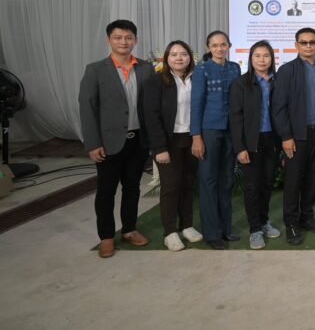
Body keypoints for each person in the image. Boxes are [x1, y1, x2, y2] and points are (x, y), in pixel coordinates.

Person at [79, 19, 155, 258]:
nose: (124, 42)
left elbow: (152, 105)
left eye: (128, 38)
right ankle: (106, 237)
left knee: (132, 188)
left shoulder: (146, 68)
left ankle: (129, 229)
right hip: (109, 142)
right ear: (109, 40)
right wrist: (93, 143)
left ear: (135, 40)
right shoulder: (95, 70)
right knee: (106, 192)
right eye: (118, 38)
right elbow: (87, 108)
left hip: (138, 140)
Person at [272, 27, 315, 245]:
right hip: (296, 136)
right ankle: (291, 223)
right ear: (296, 45)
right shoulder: (287, 70)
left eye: (312, 42)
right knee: (293, 181)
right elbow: (278, 107)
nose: (308, 46)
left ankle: (307, 217)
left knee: (312, 179)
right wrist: (286, 136)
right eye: (304, 42)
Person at [142, 40, 203, 251]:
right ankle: (170, 231)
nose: (179, 58)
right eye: (174, 54)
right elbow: (151, 117)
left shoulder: (197, 78)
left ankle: (186, 225)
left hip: (192, 138)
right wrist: (159, 148)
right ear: (167, 58)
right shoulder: (156, 81)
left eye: (183, 54)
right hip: (168, 142)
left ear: (190, 57)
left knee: (188, 184)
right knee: (170, 186)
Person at [230, 40, 283, 250]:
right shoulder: (241, 83)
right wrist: (240, 147)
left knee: (267, 184)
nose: (262, 60)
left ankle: (264, 221)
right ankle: (255, 230)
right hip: (251, 142)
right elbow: (235, 117)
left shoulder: (277, 81)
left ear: (272, 59)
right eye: (257, 56)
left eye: (266, 56)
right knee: (252, 186)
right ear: (251, 59)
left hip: (272, 140)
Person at [190, 30, 241, 250]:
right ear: (208, 47)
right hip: (209, 130)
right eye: (214, 45)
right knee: (209, 181)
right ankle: (212, 234)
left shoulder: (235, 68)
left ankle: (226, 229)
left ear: (229, 46)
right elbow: (196, 104)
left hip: (231, 130)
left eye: (223, 44)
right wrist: (196, 137)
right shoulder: (201, 70)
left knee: (227, 180)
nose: (219, 49)